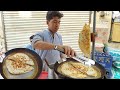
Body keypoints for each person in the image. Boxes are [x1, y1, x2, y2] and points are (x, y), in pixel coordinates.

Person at [31, 11, 76, 79]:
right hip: (43, 72)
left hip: (57, 70)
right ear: (47, 22)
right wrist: (56, 46)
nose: (57, 24)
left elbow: (61, 54)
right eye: (54, 22)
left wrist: (66, 59)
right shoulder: (41, 34)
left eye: (59, 22)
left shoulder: (59, 37)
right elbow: (36, 44)